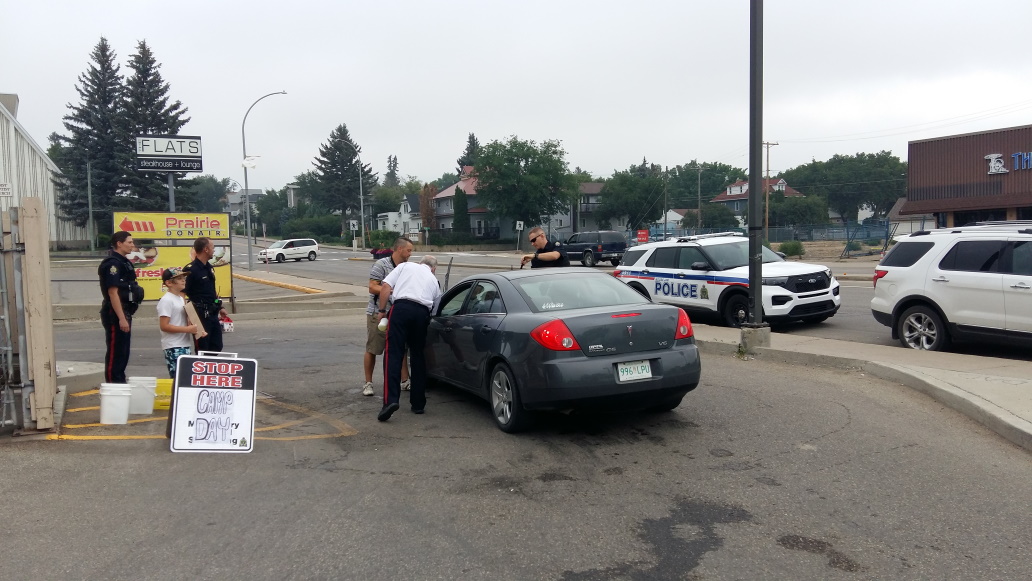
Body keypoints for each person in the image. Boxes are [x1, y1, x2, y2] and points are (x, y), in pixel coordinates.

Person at [374, 255, 442, 421]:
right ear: (433, 269)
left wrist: (381, 311)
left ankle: (390, 401)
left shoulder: (405, 266)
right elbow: (435, 311)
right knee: (418, 356)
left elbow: (385, 287)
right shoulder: (435, 281)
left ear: (420, 263)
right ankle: (418, 404)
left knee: (393, 354)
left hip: (401, 309)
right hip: (422, 314)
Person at [364, 237, 413, 396]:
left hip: (398, 314)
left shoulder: (407, 267)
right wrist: (392, 290)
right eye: (408, 250)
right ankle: (368, 383)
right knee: (373, 348)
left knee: (401, 347)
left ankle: (405, 381)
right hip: (378, 313)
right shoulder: (381, 265)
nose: (410, 254)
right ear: (399, 249)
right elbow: (372, 287)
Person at [98, 231, 141, 383]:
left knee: (123, 352)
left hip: (125, 310)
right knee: (116, 353)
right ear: (119, 243)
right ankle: (113, 385)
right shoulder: (113, 264)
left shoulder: (124, 262)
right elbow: (113, 292)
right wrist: (121, 318)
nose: (132, 245)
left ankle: (120, 383)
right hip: (115, 312)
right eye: (129, 242)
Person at [183, 236, 228, 353]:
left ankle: (210, 365)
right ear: (206, 249)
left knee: (216, 346)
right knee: (203, 349)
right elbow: (183, 293)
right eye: (212, 247)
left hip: (212, 313)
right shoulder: (191, 270)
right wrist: (188, 316)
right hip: (199, 315)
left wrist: (220, 307)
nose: (214, 250)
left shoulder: (209, 268)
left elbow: (211, 291)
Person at [157, 267, 200, 379]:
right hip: (173, 346)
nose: (183, 280)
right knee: (178, 379)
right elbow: (164, 326)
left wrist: (197, 328)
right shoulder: (166, 300)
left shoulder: (180, 298)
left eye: (184, 277)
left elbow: (183, 319)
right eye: (179, 278)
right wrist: (187, 329)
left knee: (185, 379)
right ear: (169, 283)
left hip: (184, 344)